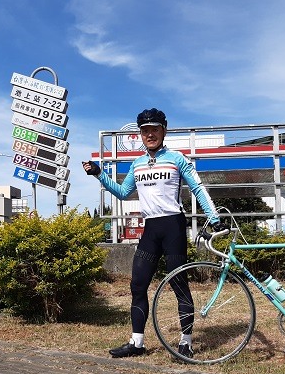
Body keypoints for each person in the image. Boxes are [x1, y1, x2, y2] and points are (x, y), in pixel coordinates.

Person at [83, 108, 226, 359]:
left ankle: (186, 342)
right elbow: (123, 192)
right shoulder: (137, 164)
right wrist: (99, 174)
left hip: (172, 226)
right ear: (140, 134)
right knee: (138, 285)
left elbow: (199, 188)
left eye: (154, 129)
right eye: (145, 130)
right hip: (150, 230)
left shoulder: (177, 158)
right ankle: (137, 342)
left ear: (164, 130)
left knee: (179, 284)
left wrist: (213, 219)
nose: (150, 134)